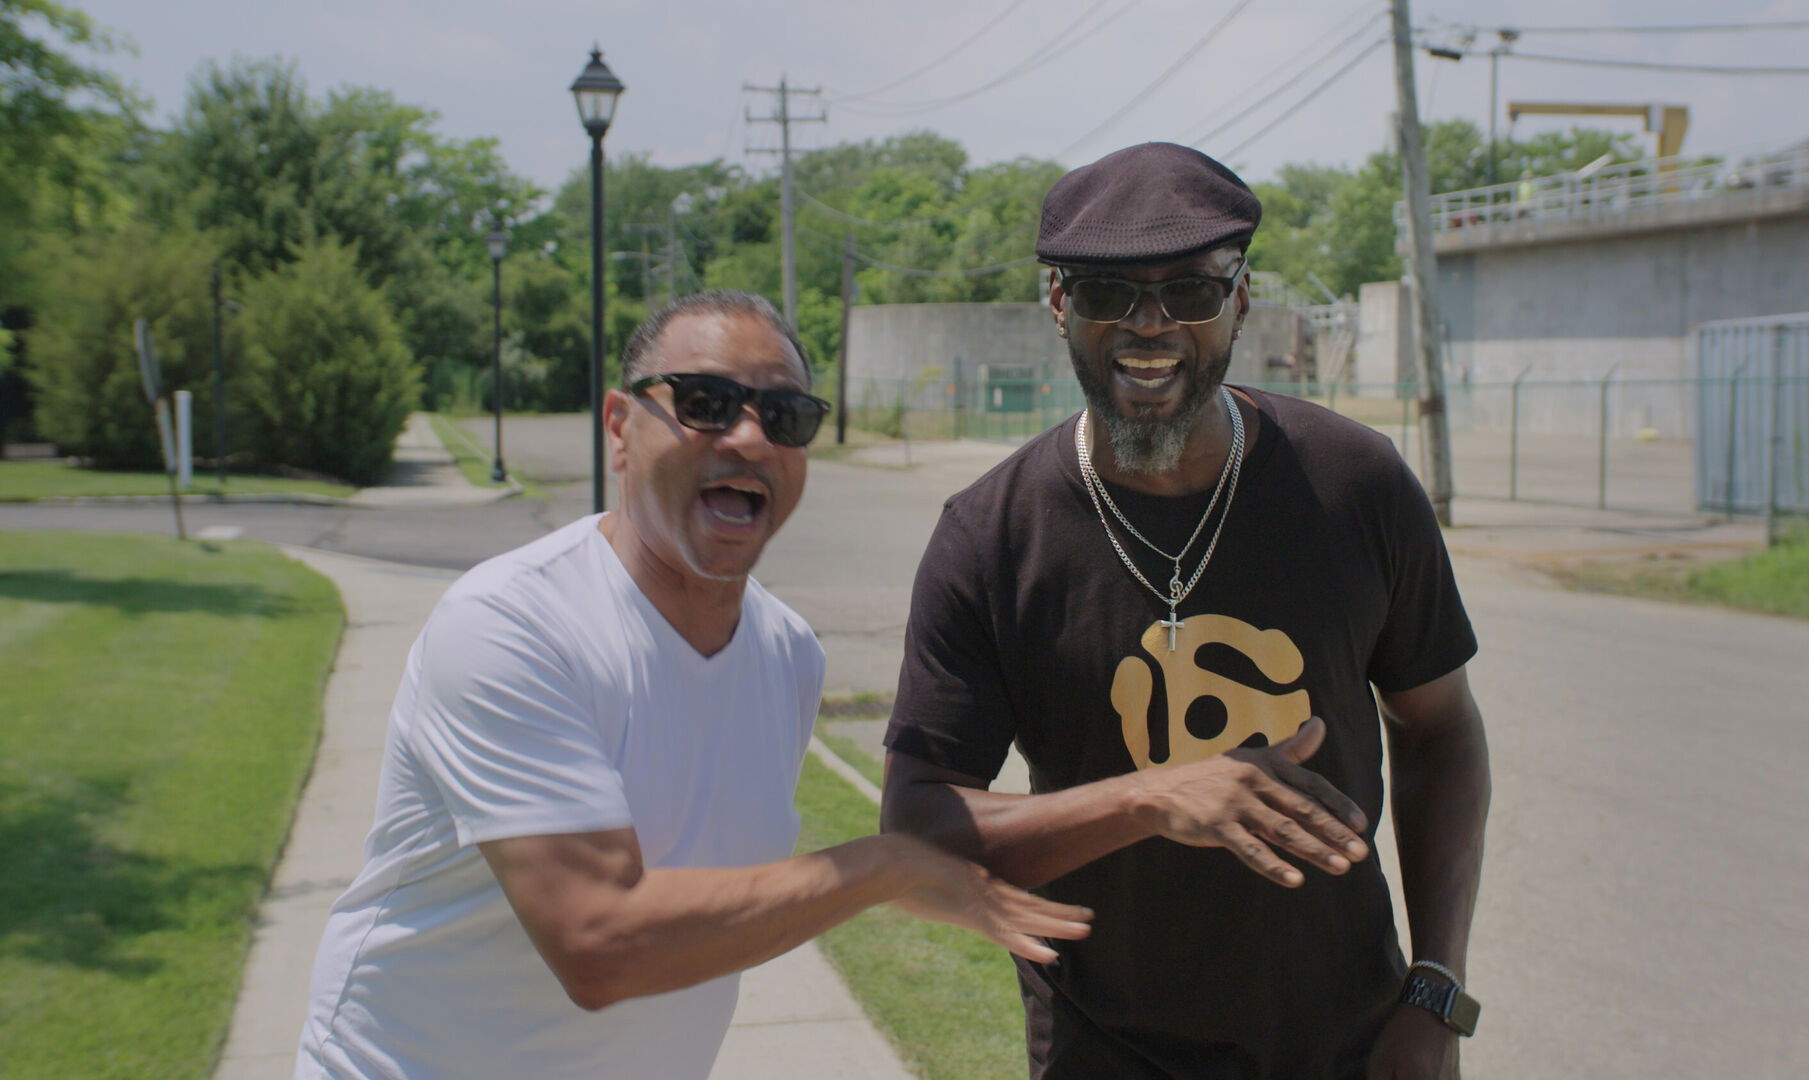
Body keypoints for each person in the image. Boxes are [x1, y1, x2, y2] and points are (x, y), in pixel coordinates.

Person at [296, 291, 1092, 1080]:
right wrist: (883, 867)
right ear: (619, 427)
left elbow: (719, 903)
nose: (748, 437)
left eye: (784, 416)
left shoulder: (786, 656)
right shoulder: (513, 625)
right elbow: (600, 946)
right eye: (704, 404)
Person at [881, 144, 1491, 1080]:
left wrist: (1436, 990)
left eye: (1192, 291)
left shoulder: (1355, 484)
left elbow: (1440, 730)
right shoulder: (989, 539)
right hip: (1103, 1048)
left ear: (1241, 299)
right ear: (1059, 304)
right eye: (1107, 292)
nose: (1150, 324)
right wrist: (1151, 798)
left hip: (1349, 1045)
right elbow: (916, 828)